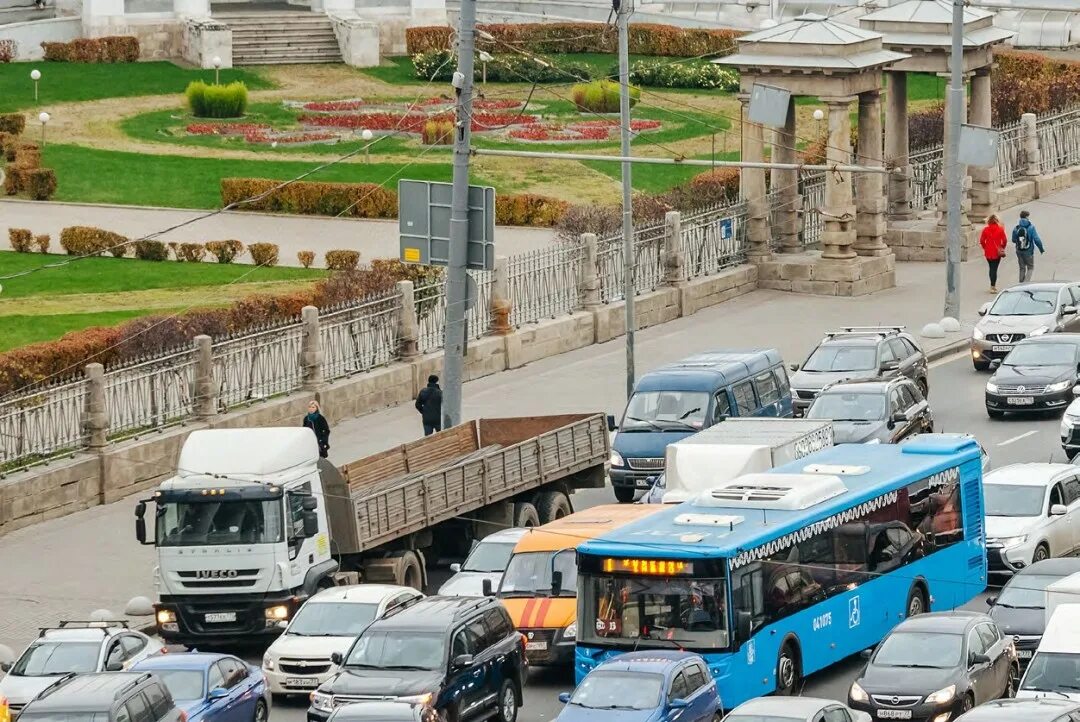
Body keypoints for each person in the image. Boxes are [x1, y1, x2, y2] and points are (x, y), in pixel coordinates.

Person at [1012, 209, 1045, 283]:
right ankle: (1025, 284)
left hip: (1019, 250)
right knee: (1030, 267)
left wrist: (1020, 242)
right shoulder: (1031, 227)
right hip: (1028, 250)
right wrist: (1041, 249)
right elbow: (1037, 239)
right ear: (1027, 217)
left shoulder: (1016, 228)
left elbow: (1013, 240)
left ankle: (1020, 284)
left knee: (1022, 268)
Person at [979, 214, 1008, 293]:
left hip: (988, 252)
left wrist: (985, 247)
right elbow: (1005, 240)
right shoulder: (1000, 229)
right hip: (997, 252)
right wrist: (1002, 247)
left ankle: (992, 286)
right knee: (994, 268)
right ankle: (993, 286)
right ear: (996, 221)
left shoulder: (985, 230)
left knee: (991, 268)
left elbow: (982, 241)